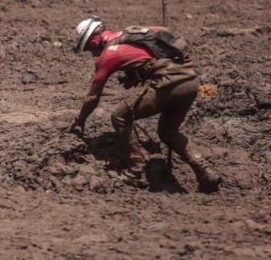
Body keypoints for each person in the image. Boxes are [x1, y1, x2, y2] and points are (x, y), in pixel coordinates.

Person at [67, 17, 221, 192]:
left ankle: (137, 168)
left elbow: (92, 98)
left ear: (94, 40)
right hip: (191, 82)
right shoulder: (130, 32)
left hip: (169, 83)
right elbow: (167, 39)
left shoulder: (107, 55)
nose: (93, 54)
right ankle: (206, 172)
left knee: (120, 116)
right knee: (168, 132)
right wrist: (142, 72)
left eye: (89, 49)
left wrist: (80, 121)